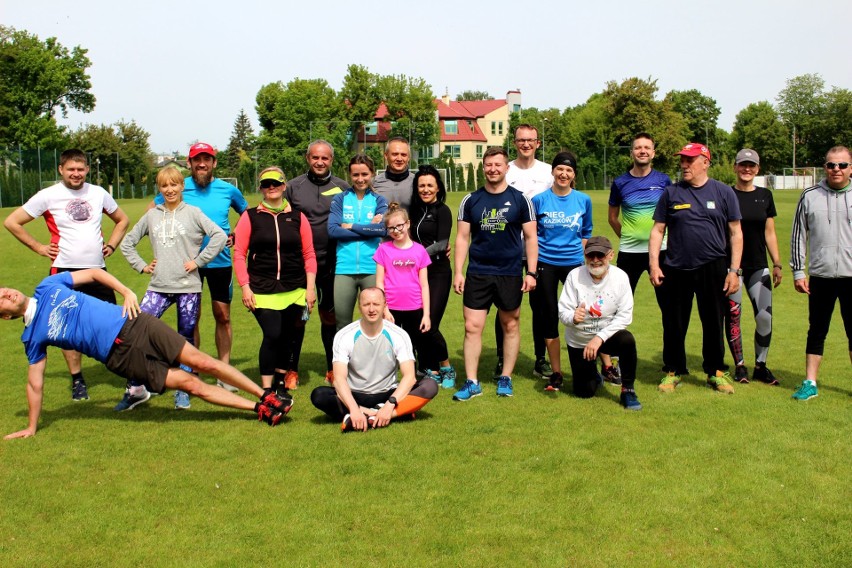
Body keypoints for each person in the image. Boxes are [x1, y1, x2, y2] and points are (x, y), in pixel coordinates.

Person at [1, 269, 293, 440]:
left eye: (3, 289)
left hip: (136, 323)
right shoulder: (32, 337)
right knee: (190, 384)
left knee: (201, 362)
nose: (8, 294)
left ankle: (265, 394)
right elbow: (34, 383)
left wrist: (126, 291)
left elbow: (93, 273)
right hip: (120, 357)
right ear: (5, 317)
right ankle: (258, 409)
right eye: (1, 300)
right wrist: (31, 426)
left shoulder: (47, 285)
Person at [4, 148, 129, 402]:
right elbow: (12, 221)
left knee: (116, 324)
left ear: (87, 170)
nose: (76, 174)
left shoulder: (98, 193)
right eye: (71, 169)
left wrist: (112, 245)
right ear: (61, 170)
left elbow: (122, 220)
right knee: (65, 328)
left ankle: (132, 377)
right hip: (63, 271)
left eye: (80, 169)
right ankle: (77, 379)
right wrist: (38, 247)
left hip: (97, 271)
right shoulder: (48, 196)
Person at [118, 165, 227, 410]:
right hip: (158, 286)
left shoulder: (193, 213)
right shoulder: (152, 216)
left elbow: (219, 236)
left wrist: (199, 261)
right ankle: (136, 386)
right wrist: (142, 266)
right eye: (164, 185)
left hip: (188, 287)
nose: (170, 190)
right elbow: (128, 243)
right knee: (135, 329)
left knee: (185, 338)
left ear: (181, 186)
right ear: (159, 188)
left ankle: (183, 390)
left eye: (174, 184)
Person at [153, 142, 248, 396]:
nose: (202, 164)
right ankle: (191, 370)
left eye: (207, 159)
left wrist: (238, 234)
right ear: (190, 162)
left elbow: (248, 214)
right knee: (189, 317)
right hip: (186, 265)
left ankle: (224, 372)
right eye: (197, 160)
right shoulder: (179, 187)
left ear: (214, 163)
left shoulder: (228, 189)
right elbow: (154, 215)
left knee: (223, 316)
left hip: (220, 262)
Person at [649, 143, 743, 394]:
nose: (684, 165)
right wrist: (654, 265)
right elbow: (658, 230)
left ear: (705, 162)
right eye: (682, 160)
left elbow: (736, 233)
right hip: (676, 267)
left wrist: (734, 271)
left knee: (713, 320)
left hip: (713, 267)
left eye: (690, 160)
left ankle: (715, 371)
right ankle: (673, 370)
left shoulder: (724, 192)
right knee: (674, 322)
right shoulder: (671, 193)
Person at [453, 146, 537, 400]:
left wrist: (531, 272)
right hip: (478, 272)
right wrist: (458, 271)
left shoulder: (521, 200)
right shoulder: (471, 200)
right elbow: (461, 238)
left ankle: (506, 377)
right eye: (488, 165)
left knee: (510, 324)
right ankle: (471, 382)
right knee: (472, 327)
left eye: (498, 165)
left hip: (510, 273)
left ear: (506, 168)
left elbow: (531, 238)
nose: (493, 169)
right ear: (484, 167)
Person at [235, 167, 317, 396]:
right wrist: (245, 287)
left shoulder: (298, 217)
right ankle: (266, 389)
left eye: (275, 183)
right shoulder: (250, 216)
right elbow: (239, 254)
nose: (271, 188)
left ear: (284, 185)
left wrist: (310, 290)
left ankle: (281, 383)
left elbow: (309, 255)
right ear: (260, 188)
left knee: (289, 336)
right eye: (266, 184)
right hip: (261, 288)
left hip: (295, 287)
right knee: (272, 333)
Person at [309, 287, 437, 432]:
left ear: (384, 305)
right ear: (359, 307)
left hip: (388, 394)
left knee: (430, 385)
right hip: (355, 394)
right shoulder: (344, 336)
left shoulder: (398, 335)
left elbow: (410, 377)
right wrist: (354, 408)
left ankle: (381, 415)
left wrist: (390, 405)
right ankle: (375, 414)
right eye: (366, 304)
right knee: (319, 395)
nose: (371, 309)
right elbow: (339, 379)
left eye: (376, 304)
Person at [607, 133, 672, 383]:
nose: (642, 151)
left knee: (668, 309)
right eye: (638, 148)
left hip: (662, 253)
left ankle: (670, 363)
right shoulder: (621, 182)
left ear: (653, 152)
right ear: (631, 152)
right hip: (629, 254)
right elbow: (613, 217)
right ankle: (614, 362)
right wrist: (628, 236)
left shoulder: (664, 181)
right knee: (618, 308)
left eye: (647, 147)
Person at [790, 146, 852, 401]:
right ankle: (810, 383)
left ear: (851, 167)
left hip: (851, 276)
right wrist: (798, 272)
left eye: (842, 165)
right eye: (831, 165)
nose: (836, 170)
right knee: (816, 330)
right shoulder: (810, 195)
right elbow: (798, 236)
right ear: (824, 167)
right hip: (820, 276)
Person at [284, 140, 348, 384]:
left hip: (333, 262)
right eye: (315, 158)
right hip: (299, 264)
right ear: (307, 158)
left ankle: (332, 369)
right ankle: (291, 369)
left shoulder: (342, 187)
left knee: (329, 317)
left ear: (332, 160)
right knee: (299, 317)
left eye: (325, 158)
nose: (320, 162)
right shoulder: (293, 187)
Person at [531, 152, 592, 391]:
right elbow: (532, 235)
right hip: (546, 263)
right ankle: (556, 372)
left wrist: (580, 257)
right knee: (548, 316)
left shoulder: (583, 200)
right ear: (553, 172)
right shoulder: (539, 200)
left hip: (574, 264)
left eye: (568, 170)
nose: (563, 174)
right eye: (559, 169)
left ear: (573, 174)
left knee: (580, 314)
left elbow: (586, 231)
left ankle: (586, 364)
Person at [557, 236, 641, 410]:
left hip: (607, 337)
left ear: (611, 255)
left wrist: (599, 338)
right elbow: (562, 311)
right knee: (584, 393)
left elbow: (625, 316)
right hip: (580, 340)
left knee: (627, 340)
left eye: (600, 255)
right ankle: (594, 375)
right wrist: (573, 317)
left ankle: (628, 390)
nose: (595, 260)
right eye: (590, 255)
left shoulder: (621, 277)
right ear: (585, 255)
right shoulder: (574, 275)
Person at [500, 124, 554, 379]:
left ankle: (540, 359)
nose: (526, 144)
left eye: (530, 140)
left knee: (540, 306)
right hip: (507, 248)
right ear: (515, 142)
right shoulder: (505, 169)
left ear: (537, 143)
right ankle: (502, 358)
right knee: (505, 306)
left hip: (538, 247)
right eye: (521, 140)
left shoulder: (547, 172)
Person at [724, 149, 782, 385]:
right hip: (733, 268)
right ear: (735, 167)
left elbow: (770, 233)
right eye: (742, 165)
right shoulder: (726, 194)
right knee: (734, 317)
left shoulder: (765, 195)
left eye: (752, 165)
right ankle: (740, 366)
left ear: (758, 169)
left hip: (759, 266)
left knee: (764, 318)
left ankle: (761, 365)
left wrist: (777, 262)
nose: (747, 169)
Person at [327, 154, 388, 330]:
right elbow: (332, 230)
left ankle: (373, 358)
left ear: (372, 174)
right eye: (355, 175)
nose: (360, 179)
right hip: (344, 269)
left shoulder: (379, 200)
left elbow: (382, 230)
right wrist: (368, 229)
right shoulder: (340, 199)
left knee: (376, 322)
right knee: (342, 323)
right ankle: (343, 359)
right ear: (349, 175)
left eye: (364, 174)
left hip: (372, 268)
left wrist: (351, 226)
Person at [409, 165, 457, 388]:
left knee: (431, 323)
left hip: (437, 272)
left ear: (438, 187)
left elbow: (442, 244)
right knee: (418, 322)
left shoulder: (443, 210)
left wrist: (416, 255)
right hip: (415, 274)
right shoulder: (413, 211)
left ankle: (446, 367)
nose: (425, 189)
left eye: (430, 185)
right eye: (421, 186)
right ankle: (431, 369)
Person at [374, 203, 431, 372]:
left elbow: (424, 284)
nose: (396, 230)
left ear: (408, 224)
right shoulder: (383, 250)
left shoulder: (420, 251)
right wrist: (384, 309)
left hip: (415, 307)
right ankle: (388, 382)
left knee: (413, 345)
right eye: (391, 228)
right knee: (389, 347)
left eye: (399, 226)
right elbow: (379, 283)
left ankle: (413, 379)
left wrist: (426, 314)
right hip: (392, 309)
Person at [372, 137, 413, 210]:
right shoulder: (373, 184)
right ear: (386, 156)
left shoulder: (417, 183)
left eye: (403, 155)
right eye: (395, 154)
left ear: (409, 157)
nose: (399, 159)